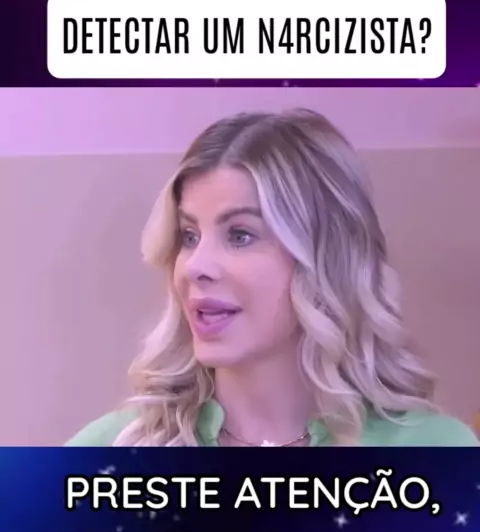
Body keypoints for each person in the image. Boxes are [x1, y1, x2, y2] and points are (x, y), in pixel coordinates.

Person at [66, 109, 478, 447]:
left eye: (240, 235)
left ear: (324, 259)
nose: (194, 266)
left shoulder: (437, 451)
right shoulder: (108, 452)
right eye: (189, 236)